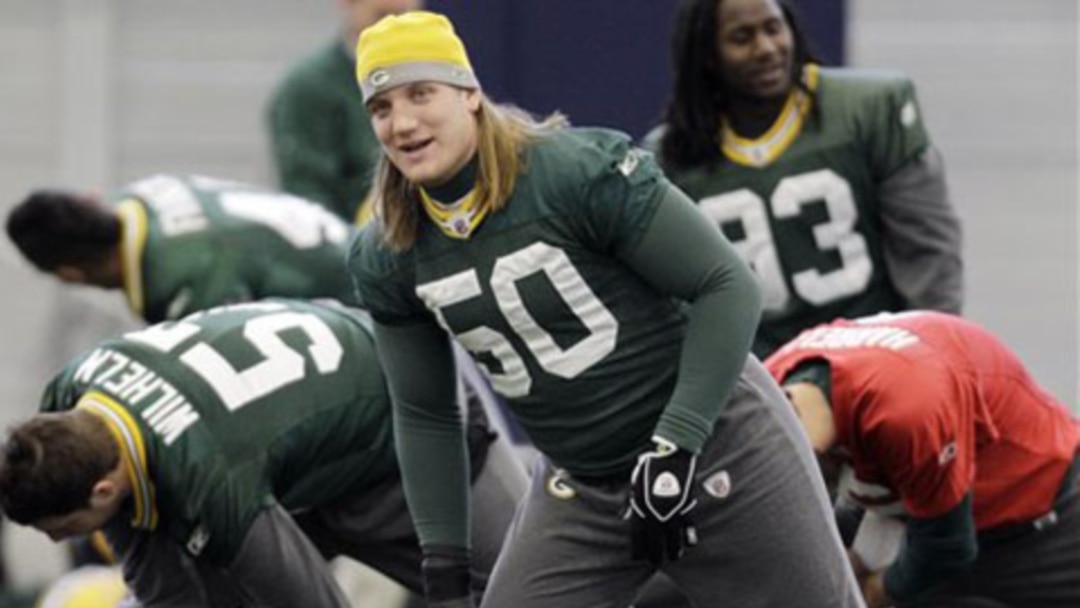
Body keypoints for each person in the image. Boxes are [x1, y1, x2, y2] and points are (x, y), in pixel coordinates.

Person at [347, 11, 863, 608]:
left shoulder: (571, 173)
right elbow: (426, 411)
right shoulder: (388, 250)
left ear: (468, 94)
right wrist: (442, 552)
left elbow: (727, 285)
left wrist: (675, 446)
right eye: (381, 108)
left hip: (717, 443)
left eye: (420, 93)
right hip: (582, 485)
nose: (403, 122)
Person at [0, 299, 527, 608]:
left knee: (534, 594)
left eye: (59, 525)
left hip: (410, 404)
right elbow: (155, 574)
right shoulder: (71, 402)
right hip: (298, 436)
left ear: (102, 489)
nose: (53, 538)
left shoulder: (213, 480)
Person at [650, 0, 964, 357]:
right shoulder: (670, 160)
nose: (766, 48)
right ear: (708, 55)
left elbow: (930, 253)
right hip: (766, 382)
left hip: (878, 355)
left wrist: (933, 356)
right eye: (742, 38)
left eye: (773, 28)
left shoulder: (869, 109)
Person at [764, 311, 1080, 607]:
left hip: (1039, 517)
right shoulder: (764, 386)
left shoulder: (906, 410)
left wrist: (869, 592)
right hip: (928, 513)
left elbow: (947, 546)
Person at [6, 174, 357, 324]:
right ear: (91, 200)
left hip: (370, 302)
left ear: (70, 274)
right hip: (355, 246)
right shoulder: (142, 193)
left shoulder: (179, 283)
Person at [266, 0, 420, 222]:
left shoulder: (440, 78)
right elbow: (309, 199)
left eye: (403, 16)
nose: (393, 29)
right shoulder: (310, 89)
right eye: (383, 16)